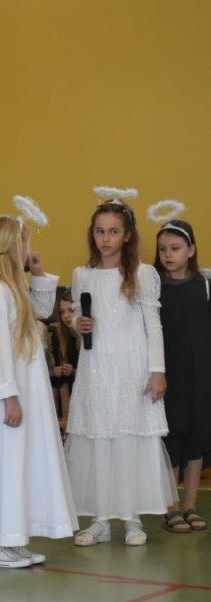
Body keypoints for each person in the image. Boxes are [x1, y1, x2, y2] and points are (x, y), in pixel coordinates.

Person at [0, 215, 77, 568]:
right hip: (4, 391)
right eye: (25, 243)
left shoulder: (11, 287)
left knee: (18, 461)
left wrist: (38, 273)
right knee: (3, 462)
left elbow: (40, 310)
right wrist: (8, 396)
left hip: (19, 386)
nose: (30, 249)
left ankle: (12, 537)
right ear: (13, 247)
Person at [66, 190, 177, 547]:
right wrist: (78, 324)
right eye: (100, 231)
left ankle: (132, 519)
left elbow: (153, 325)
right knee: (99, 439)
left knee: (129, 439)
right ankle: (100, 520)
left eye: (113, 232)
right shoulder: (83, 275)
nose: (106, 239)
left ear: (127, 235)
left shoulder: (142, 274)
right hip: (96, 367)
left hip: (132, 368)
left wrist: (157, 370)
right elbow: (79, 319)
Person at [151, 209, 210, 533]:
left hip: (200, 376)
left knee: (196, 438)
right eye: (163, 249)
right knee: (171, 438)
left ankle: (190, 505)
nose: (168, 254)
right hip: (168, 374)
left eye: (175, 248)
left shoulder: (204, 285)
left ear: (191, 250)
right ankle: (170, 507)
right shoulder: (154, 286)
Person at [49, 291, 79, 418]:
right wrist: (55, 370)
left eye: (71, 310)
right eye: (62, 312)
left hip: (80, 381)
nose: (66, 316)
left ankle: (66, 423)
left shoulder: (87, 336)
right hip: (65, 381)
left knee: (64, 383)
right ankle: (59, 424)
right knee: (57, 380)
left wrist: (73, 371)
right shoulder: (58, 336)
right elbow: (56, 365)